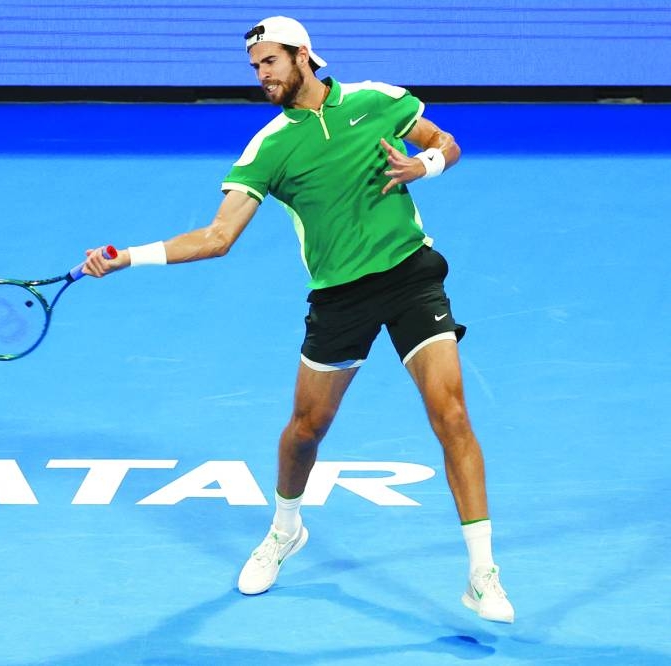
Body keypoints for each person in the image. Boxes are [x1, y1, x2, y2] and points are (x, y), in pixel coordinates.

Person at [82, 16, 514, 624]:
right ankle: (286, 528)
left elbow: (446, 142)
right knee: (307, 430)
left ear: (304, 56)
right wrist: (127, 257)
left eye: (270, 62)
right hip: (339, 297)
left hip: (411, 275)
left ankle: (481, 573)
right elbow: (217, 236)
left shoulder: (376, 101)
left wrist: (425, 168)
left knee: (452, 414)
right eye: (255, 67)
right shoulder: (270, 146)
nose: (261, 76)